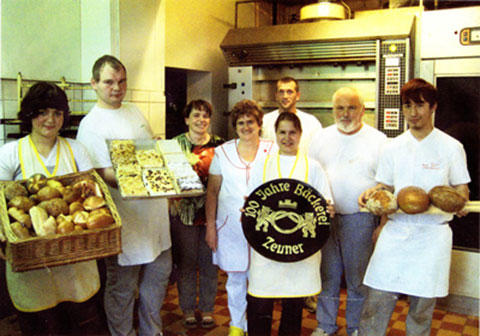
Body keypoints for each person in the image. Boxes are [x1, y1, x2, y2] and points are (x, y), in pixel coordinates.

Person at [357, 78, 470, 336]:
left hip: (432, 237)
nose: (413, 112)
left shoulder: (451, 147)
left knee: (421, 310)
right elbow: (384, 189)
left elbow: (462, 189)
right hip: (396, 233)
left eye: (420, 105)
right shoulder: (392, 147)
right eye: (407, 106)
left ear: (433, 108)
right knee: (376, 301)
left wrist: (459, 201)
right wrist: (372, 196)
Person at [77, 55, 172, 336]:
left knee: (156, 283)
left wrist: (159, 155)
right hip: (125, 223)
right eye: (108, 82)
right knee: (123, 289)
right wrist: (132, 178)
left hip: (155, 217)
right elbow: (96, 172)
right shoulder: (90, 125)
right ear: (94, 84)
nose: (116, 88)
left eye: (121, 81)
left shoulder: (134, 111)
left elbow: (147, 150)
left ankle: (151, 333)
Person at [0, 82, 103, 335]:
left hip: (74, 258)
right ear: (30, 114)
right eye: (43, 112)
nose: (50, 119)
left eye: (57, 113)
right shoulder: (11, 152)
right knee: (39, 325)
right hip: (31, 262)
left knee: (77, 323)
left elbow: (93, 192)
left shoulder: (76, 149)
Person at [246, 112, 334, 336]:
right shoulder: (262, 165)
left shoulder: (312, 167)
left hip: (301, 250)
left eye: (292, 132)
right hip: (267, 248)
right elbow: (251, 203)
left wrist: (328, 209)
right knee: (260, 303)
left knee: (293, 308)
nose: (287, 137)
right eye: (282, 132)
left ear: (300, 134)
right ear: (275, 134)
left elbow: (325, 205)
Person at [309, 87, 387, 336]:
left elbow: (387, 183)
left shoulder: (378, 140)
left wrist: (379, 210)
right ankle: (325, 325)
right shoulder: (320, 137)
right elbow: (310, 175)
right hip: (325, 219)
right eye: (339, 108)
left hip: (361, 219)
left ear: (363, 110)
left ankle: (356, 327)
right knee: (327, 276)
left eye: (351, 107)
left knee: (357, 279)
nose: (345, 113)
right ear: (333, 111)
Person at [205, 99, 274, 336]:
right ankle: (237, 325)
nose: (246, 127)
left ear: (259, 124)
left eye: (250, 122)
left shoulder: (272, 149)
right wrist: (210, 228)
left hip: (265, 228)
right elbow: (212, 192)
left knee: (261, 278)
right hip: (230, 226)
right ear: (235, 126)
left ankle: (256, 326)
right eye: (241, 123)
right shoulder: (222, 152)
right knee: (235, 278)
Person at [169, 99, 224, 329]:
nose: (201, 120)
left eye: (205, 115)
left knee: (210, 262)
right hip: (184, 214)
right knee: (187, 263)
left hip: (213, 213)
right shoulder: (174, 145)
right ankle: (189, 309)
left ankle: (209, 308)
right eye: (196, 115)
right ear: (186, 119)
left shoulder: (221, 145)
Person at [261, 77, 322, 154]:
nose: (285, 96)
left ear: (297, 96)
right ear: (276, 96)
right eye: (281, 92)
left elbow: (319, 151)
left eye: (289, 92)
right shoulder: (265, 121)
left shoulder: (311, 123)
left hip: (302, 165)